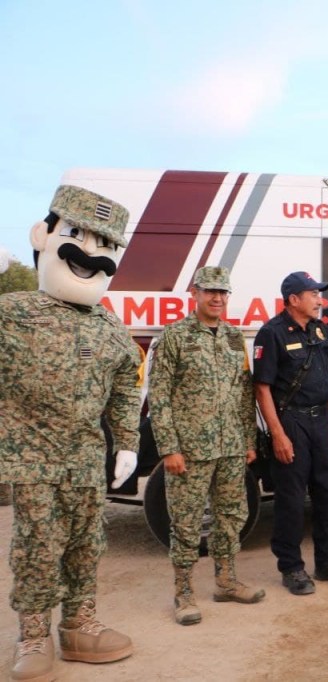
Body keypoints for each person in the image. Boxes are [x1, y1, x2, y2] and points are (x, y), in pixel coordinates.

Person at [0, 186, 139, 680]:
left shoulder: (108, 325)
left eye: (104, 243)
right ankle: (33, 634)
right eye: (77, 234)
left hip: (85, 456)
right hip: (31, 455)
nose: (89, 252)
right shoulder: (12, 313)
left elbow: (126, 381)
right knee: (38, 545)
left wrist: (127, 441)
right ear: (44, 235)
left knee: (86, 543)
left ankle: (79, 625)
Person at [147, 266, 265, 625]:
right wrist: (168, 448)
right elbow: (159, 395)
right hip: (191, 449)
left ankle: (226, 582)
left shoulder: (232, 336)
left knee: (231, 517)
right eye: (210, 291)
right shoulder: (175, 336)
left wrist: (248, 439)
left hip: (230, 446)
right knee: (185, 522)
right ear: (194, 293)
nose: (217, 298)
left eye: (223, 292)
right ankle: (184, 594)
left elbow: (244, 393)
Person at [253, 271, 328, 595]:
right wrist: (278, 434)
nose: (319, 299)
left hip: (322, 423)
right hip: (292, 424)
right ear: (294, 299)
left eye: (319, 293)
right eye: (313, 294)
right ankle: (292, 567)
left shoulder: (322, 330)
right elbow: (262, 388)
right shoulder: (271, 333)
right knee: (292, 501)